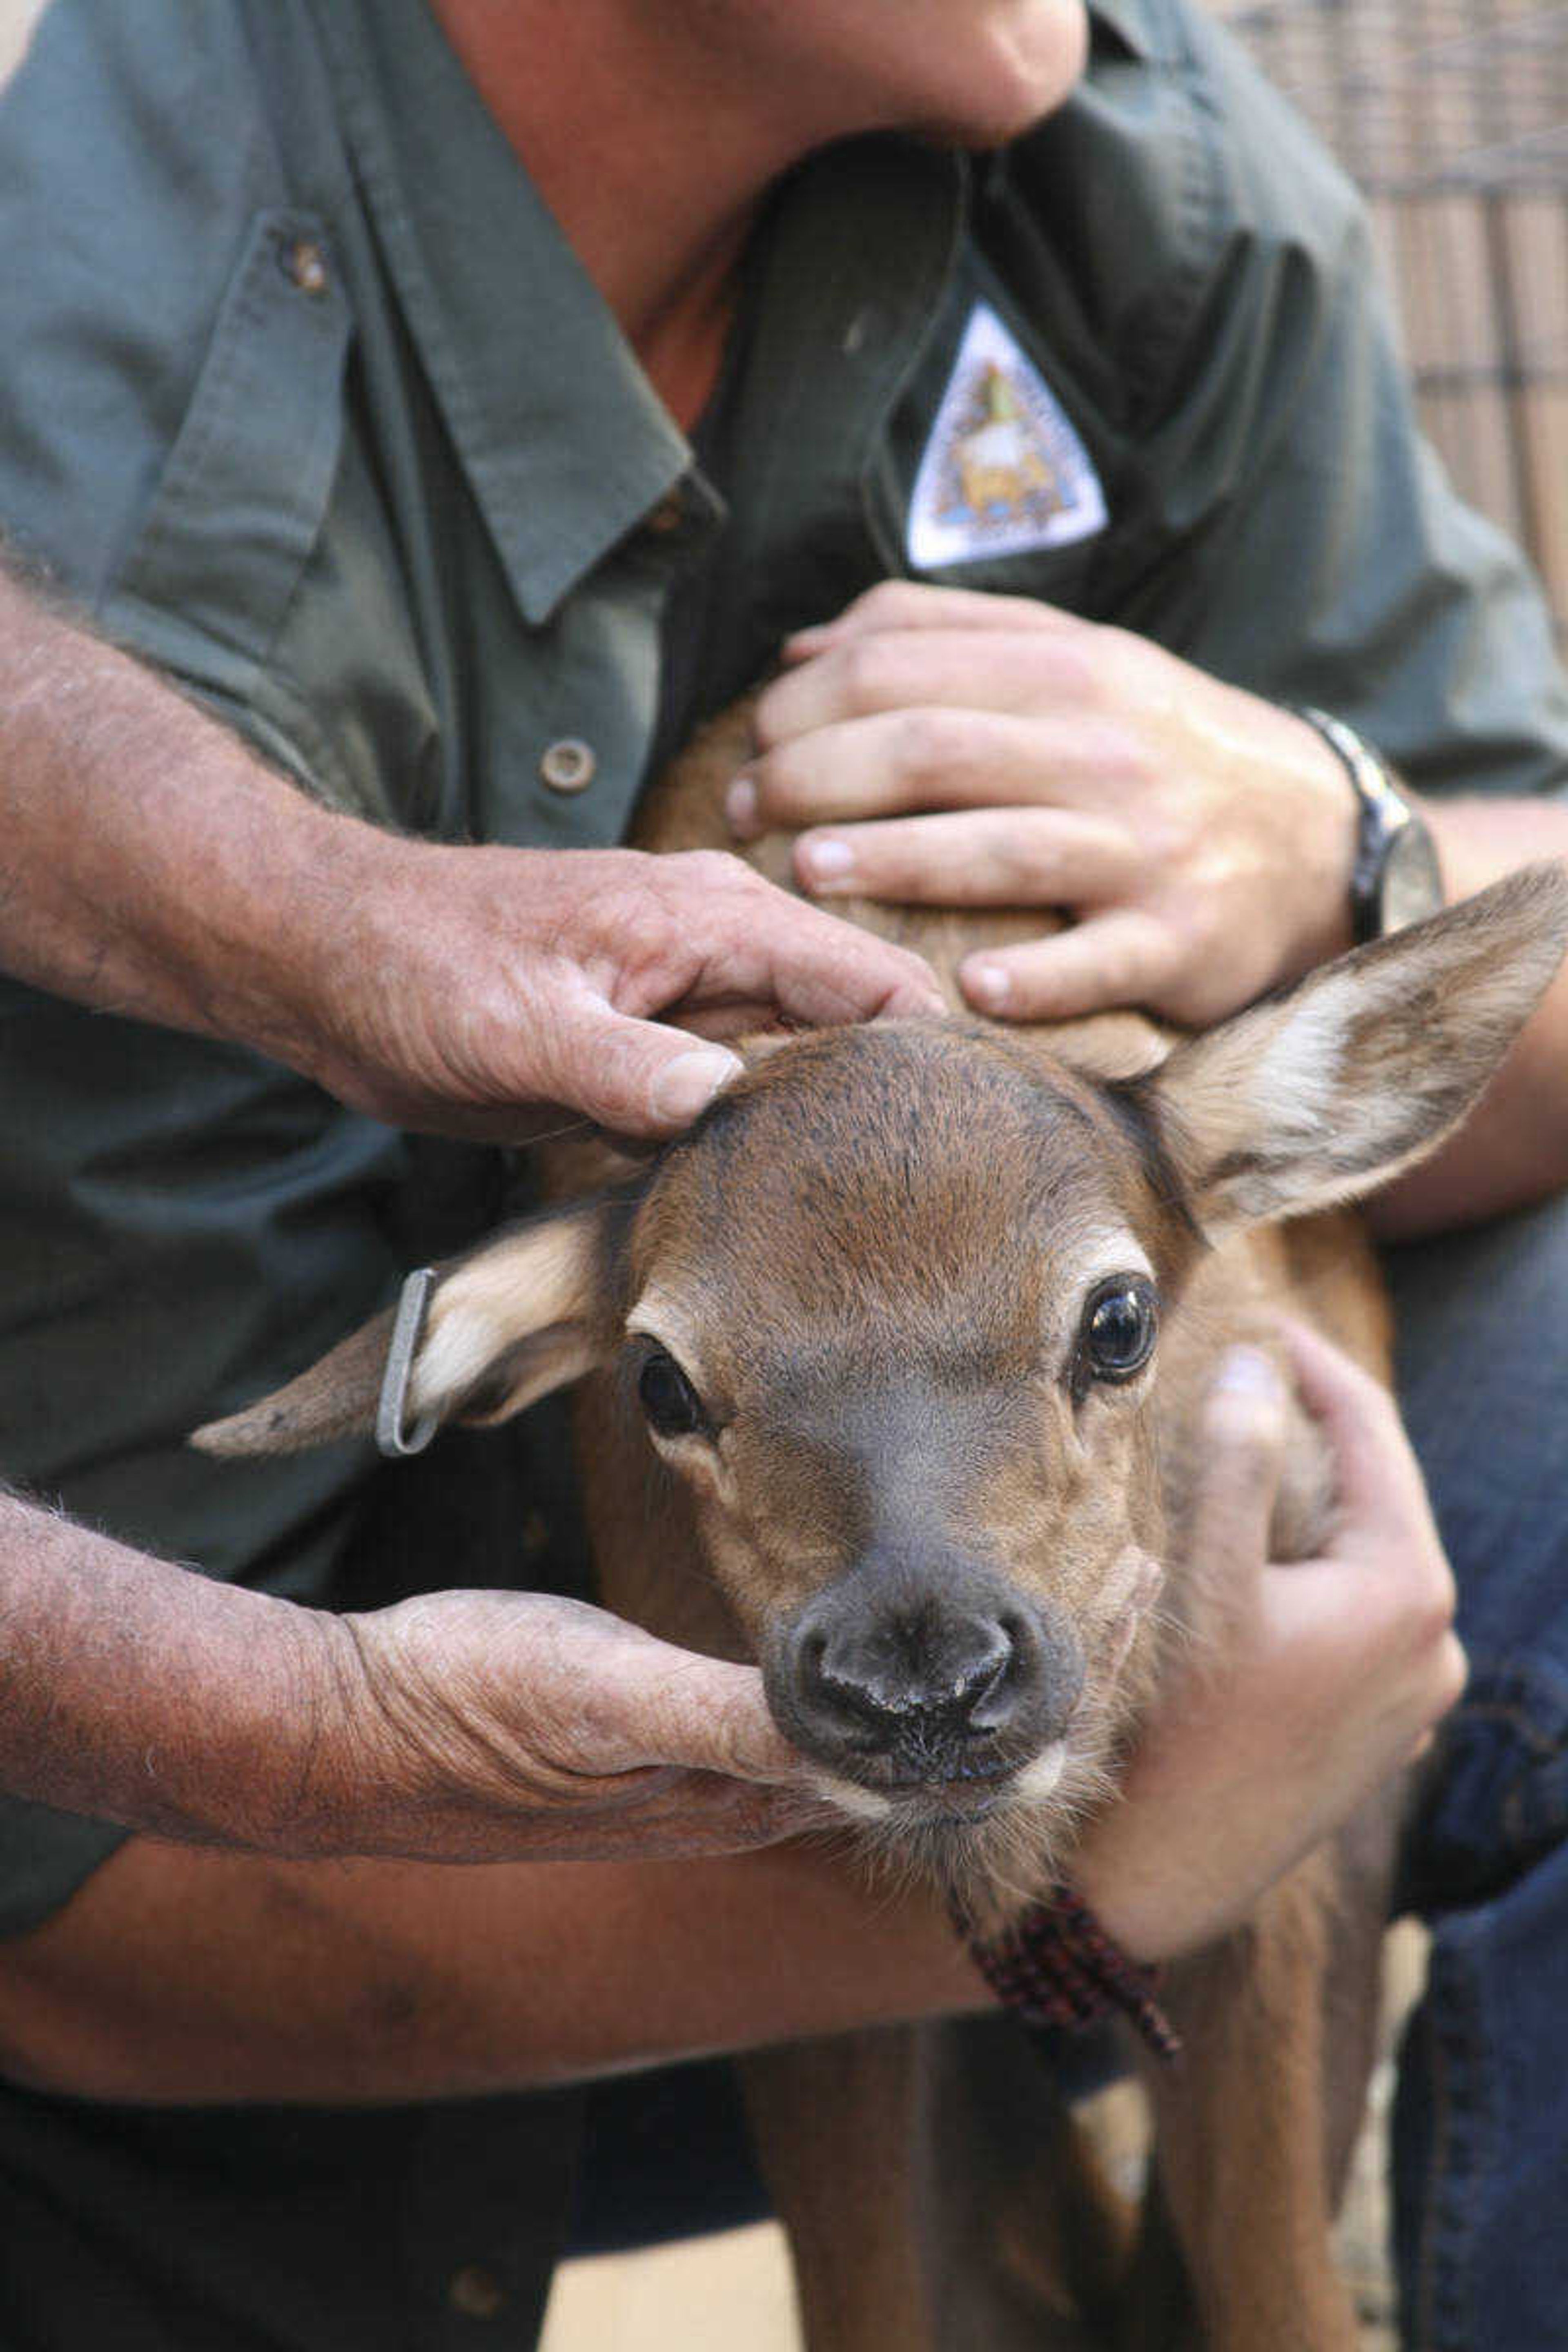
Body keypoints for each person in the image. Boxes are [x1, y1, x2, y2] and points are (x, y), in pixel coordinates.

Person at [0, 0, 1560, 2343]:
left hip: (1096, 1617)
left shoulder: (1138, 159)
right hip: (394, 1979)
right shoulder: (114, 465)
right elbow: (83, 1926)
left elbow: (1479, 1005)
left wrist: (1341, 845)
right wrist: (1123, 1874)